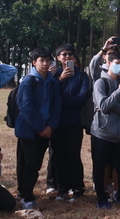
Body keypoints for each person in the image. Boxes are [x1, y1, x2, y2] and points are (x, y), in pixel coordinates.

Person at [14, 46, 61, 210]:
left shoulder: (52, 81)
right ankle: (26, 196)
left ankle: (24, 192)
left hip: (46, 129)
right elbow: (26, 107)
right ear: (34, 62)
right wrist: (40, 127)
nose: (46, 63)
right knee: (30, 164)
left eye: (48, 60)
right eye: (42, 60)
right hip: (29, 130)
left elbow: (56, 105)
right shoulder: (28, 81)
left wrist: (50, 126)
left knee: (35, 163)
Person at [90, 50, 120, 209]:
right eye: (117, 63)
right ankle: (102, 198)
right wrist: (119, 93)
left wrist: (113, 102)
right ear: (108, 63)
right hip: (101, 132)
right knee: (100, 167)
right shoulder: (100, 83)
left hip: (118, 134)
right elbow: (102, 106)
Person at [48, 44, 89, 202]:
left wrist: (61, 101)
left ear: (74, 57)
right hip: (57, 124)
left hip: (74, 124)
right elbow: (50, 97)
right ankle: (62, 189)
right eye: (63, 54)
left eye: (70, 54)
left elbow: (81, 99)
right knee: (58, 158)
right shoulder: (53, 76)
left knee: (74, 157)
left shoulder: (82, 76)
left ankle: (78, 188)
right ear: (58, 58)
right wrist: (60, 79)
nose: (67, 57)